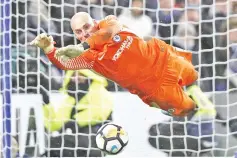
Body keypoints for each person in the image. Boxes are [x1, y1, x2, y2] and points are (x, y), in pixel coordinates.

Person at [30, 12, 198, 117]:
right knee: (188, 109)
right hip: (152, 88)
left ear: (95, 21)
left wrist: (83, 46)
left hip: (164, 60)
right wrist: (49, 49)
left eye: (86, 27)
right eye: (79, 32)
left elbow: (110, 31)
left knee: (194, 76)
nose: (85, 33)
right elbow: (65, 63)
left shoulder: (109, 22)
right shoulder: (89, 58)